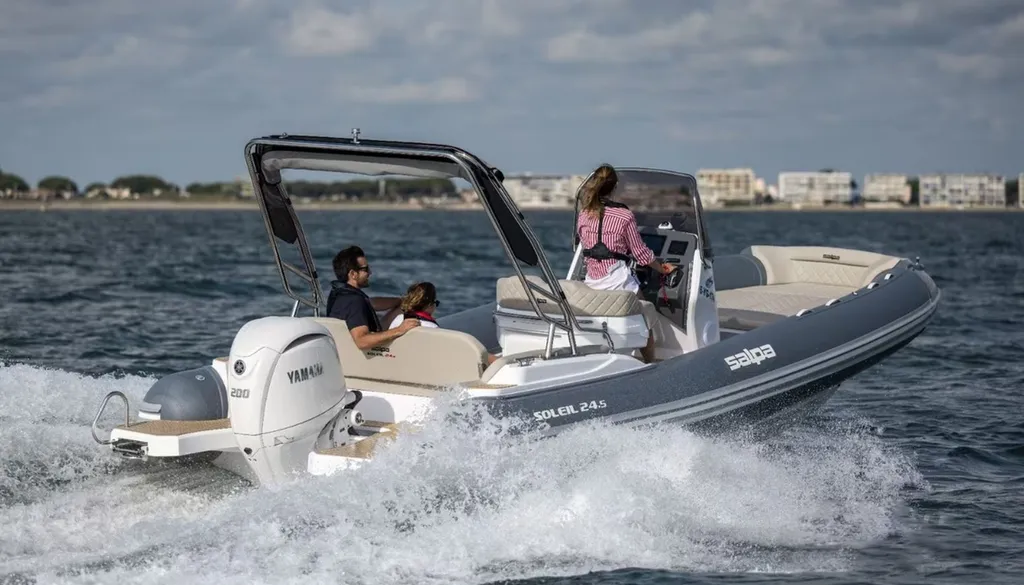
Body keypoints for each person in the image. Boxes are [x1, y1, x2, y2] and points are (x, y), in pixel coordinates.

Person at [576, 164, 676, 363]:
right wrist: (663, 268)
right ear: (614, 187)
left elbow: (583, 245)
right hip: (617, 281)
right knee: (646, 316)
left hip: (592, 282)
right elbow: (641, 255)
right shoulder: (624, 216)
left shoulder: (584, 214)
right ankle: (649, 363)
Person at [326, 245, 419, 350]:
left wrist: (401, 301)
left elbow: (371, 303)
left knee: (401, 308)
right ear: (353, 274)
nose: (370, 272)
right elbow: (361, 341)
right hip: (367, 352)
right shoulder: (355, 301)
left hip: (342, 350)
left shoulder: (339, 294)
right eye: (365, 269)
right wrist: (400, 329)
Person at [390, 281, 499, 365]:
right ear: (429, 305)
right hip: (427, 365)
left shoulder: (398, 319)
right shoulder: (431, 328)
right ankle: (498, 363)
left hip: (404, 361)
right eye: (435, 303)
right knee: (474, 351)